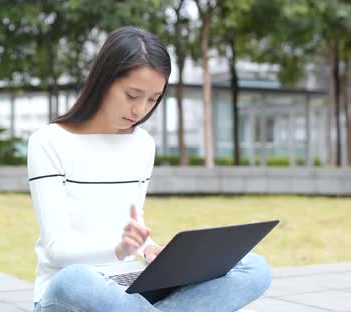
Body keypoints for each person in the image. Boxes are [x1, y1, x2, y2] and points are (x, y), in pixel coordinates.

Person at [27, 26, 272, 312]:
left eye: (153, 99)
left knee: (254, 267)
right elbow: (56, 251)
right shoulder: (49, 141)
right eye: (132, 95)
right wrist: (119, 251)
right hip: (76, 292)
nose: (140, 110)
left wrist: (148, 249)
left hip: (131, 288)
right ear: (103, 81)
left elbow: (132, 221)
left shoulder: (142, 144)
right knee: (75, 279)